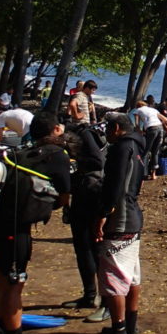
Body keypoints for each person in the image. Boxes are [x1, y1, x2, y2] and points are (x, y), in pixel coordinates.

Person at [0, 112, 72, 334]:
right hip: (18, 229)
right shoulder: (57, 156)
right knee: (16, 283)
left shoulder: (22, 153)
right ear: (56, 129)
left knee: (1, 280)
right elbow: (65, 195)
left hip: (0, 224)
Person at [89, 112, 145, 334]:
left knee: (113, 276)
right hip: (133, 214)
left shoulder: (121, 149)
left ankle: (119, 333)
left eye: (107, 130)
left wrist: (103, 213)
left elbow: (116, 185)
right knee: (131, 274)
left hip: (121, 218)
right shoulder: (138, 146)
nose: (106, 135)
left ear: (116, 128)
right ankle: (130, 325)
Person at [61, 122, 107, 312]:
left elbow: (97, 161)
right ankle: (90, 295)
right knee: (83, 248)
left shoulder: (84, 134)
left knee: (88, 248)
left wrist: (77, 167)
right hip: (87, 190)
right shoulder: (85, 133)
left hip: (89, 193)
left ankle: (100, 298)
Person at [130, 100, 167, 180]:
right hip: (160, 128)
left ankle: (142, 173)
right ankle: (153, 174)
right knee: (155, 152)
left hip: (151, 129)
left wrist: (140, 132)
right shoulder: (153, 109)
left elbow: (137, 124)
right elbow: (165, 119)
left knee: (145, 151)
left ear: (138, 106)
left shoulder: (138, 110)